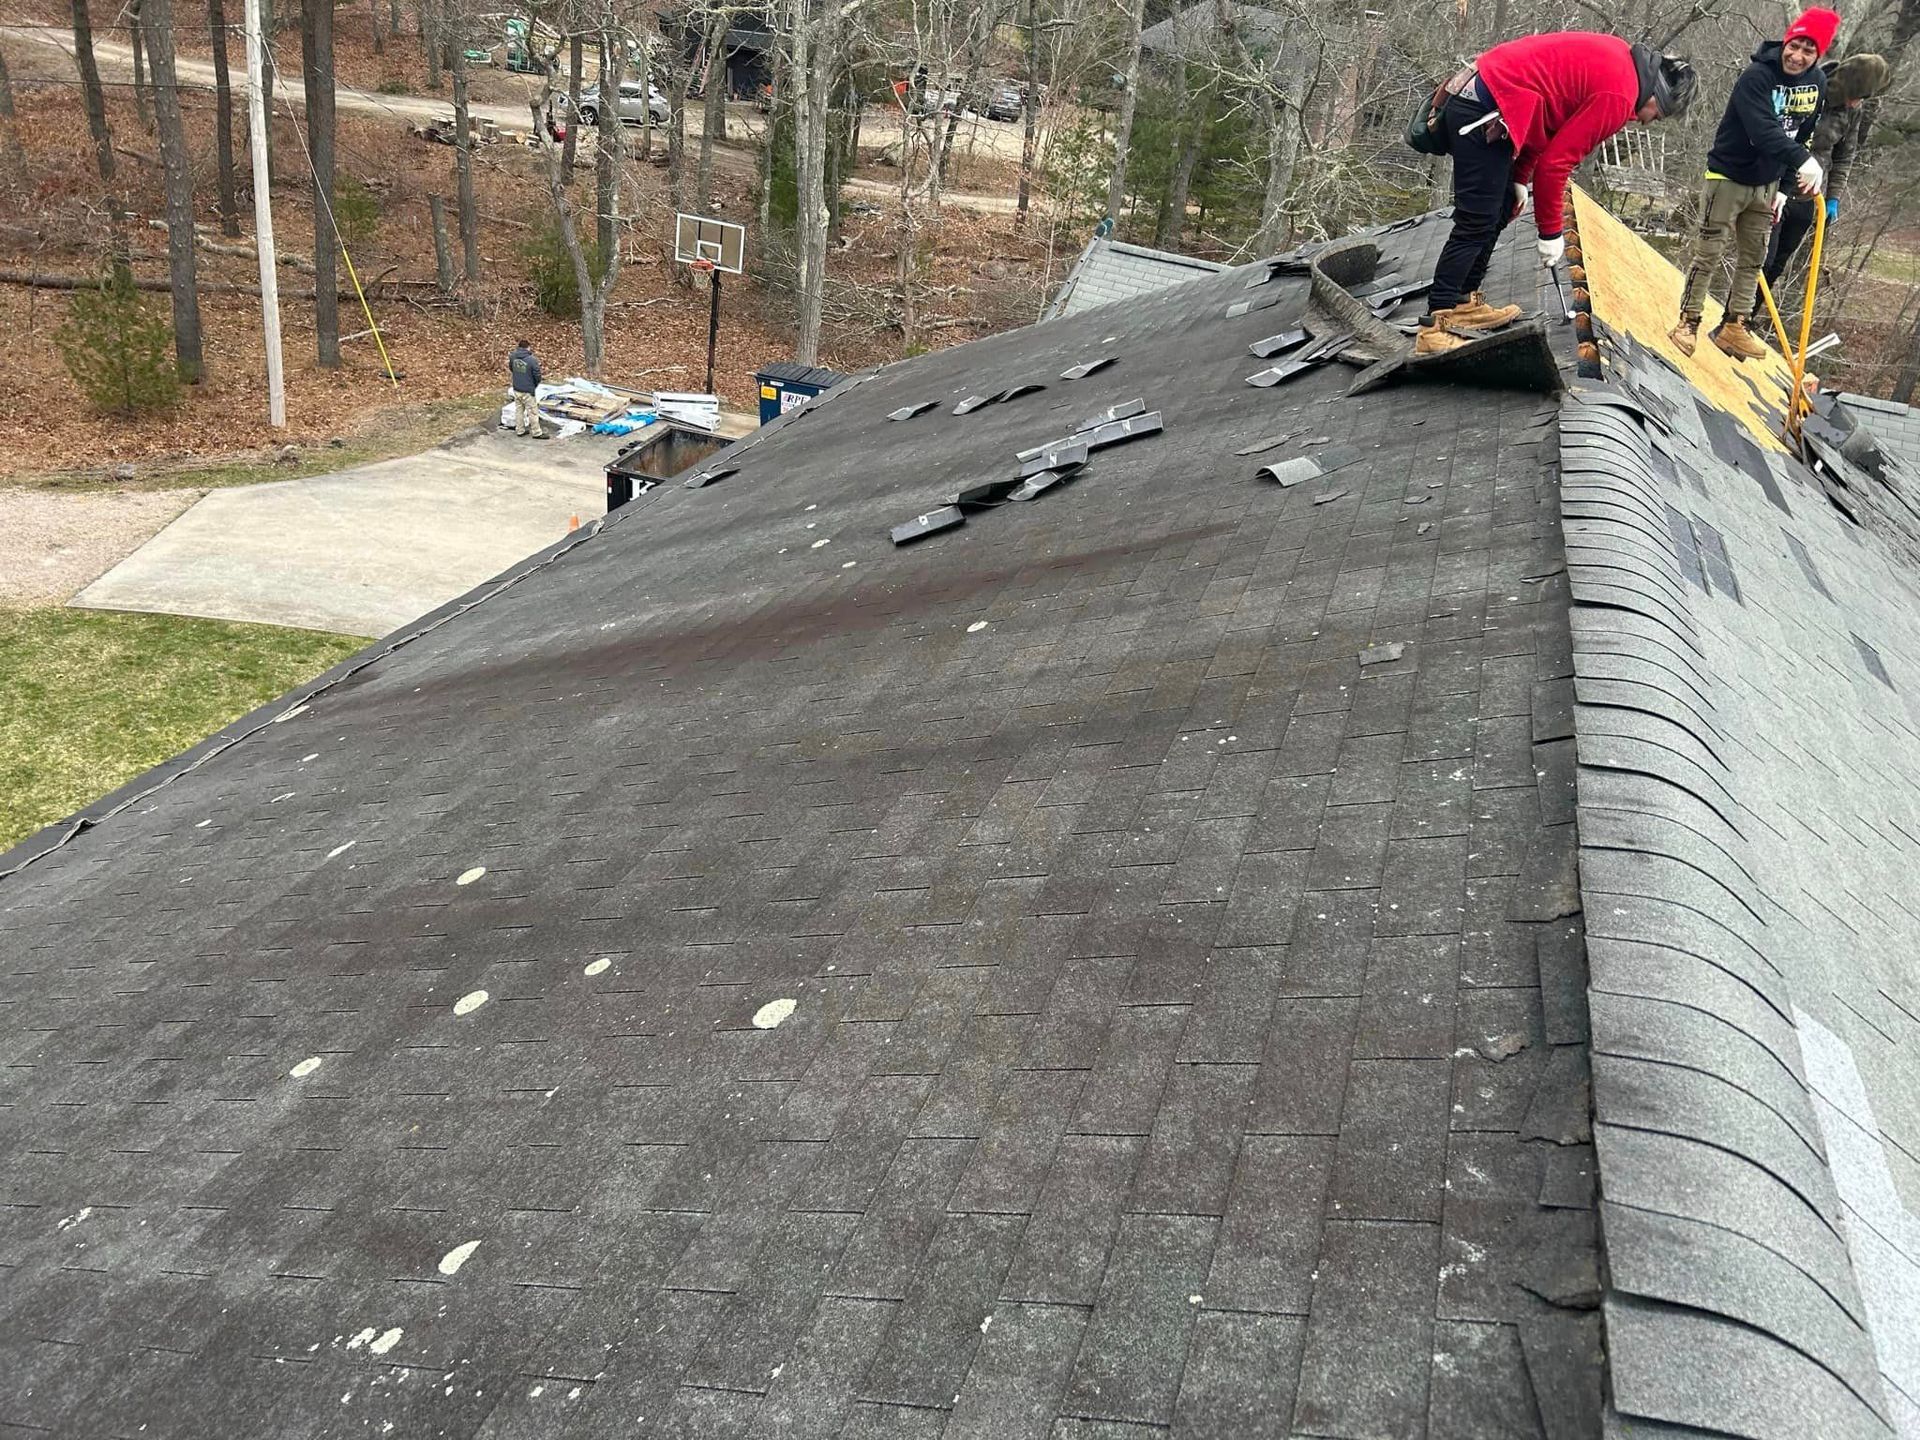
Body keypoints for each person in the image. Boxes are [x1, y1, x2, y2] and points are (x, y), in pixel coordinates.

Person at [1418, 34, 1696, 357]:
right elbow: (1555, 165)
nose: (1647, 123)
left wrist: (1520, 178)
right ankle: (1434, 325)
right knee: (1476, 219)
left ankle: (1463, 301)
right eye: (1657, 116)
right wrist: (1550, 234)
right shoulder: (1620, 96)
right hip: (1482, 105)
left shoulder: (1623, 62)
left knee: (1500, 206)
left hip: (1499, 103)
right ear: (1656, 98)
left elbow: (1549, 113)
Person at [1669, 8, 1838, 361]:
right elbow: (1762, 130)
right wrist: (1803, 162)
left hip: (1768, 183)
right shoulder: (1757, 77)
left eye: (1808, 50)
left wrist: (1783, 188)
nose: (1797, 56)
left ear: (1817, 55)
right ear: (1786, 41)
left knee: (1755, 257)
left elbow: (1803, 133)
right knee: (1709, 252)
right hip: (1728, 175)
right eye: (1795, 45)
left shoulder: (1817, 83)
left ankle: (1734, 326)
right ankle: (1689, 322)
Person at [1755, 52, 1891, 317]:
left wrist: (1833, 198)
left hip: (1809, 196)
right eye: (1858, 95)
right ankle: (1732, 318)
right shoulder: (1810, 88)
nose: (1857, 103)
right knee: (1763, 259)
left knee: (1778, 266)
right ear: (1849, 84)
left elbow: (1844, 157)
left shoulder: (1853, 111)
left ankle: (1747, 320)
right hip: (1777, 186)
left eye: (1864, 99)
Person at [508, 339, 544, 439]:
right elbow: (537, 375)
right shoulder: (532, 360)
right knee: (532, 411)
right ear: (528, 347)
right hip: (528, 390)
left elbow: (511, 368)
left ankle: (520, 430)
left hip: (517, 388)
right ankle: (536, 432)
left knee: (519, 411)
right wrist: (535, 385)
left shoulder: (513, 356)